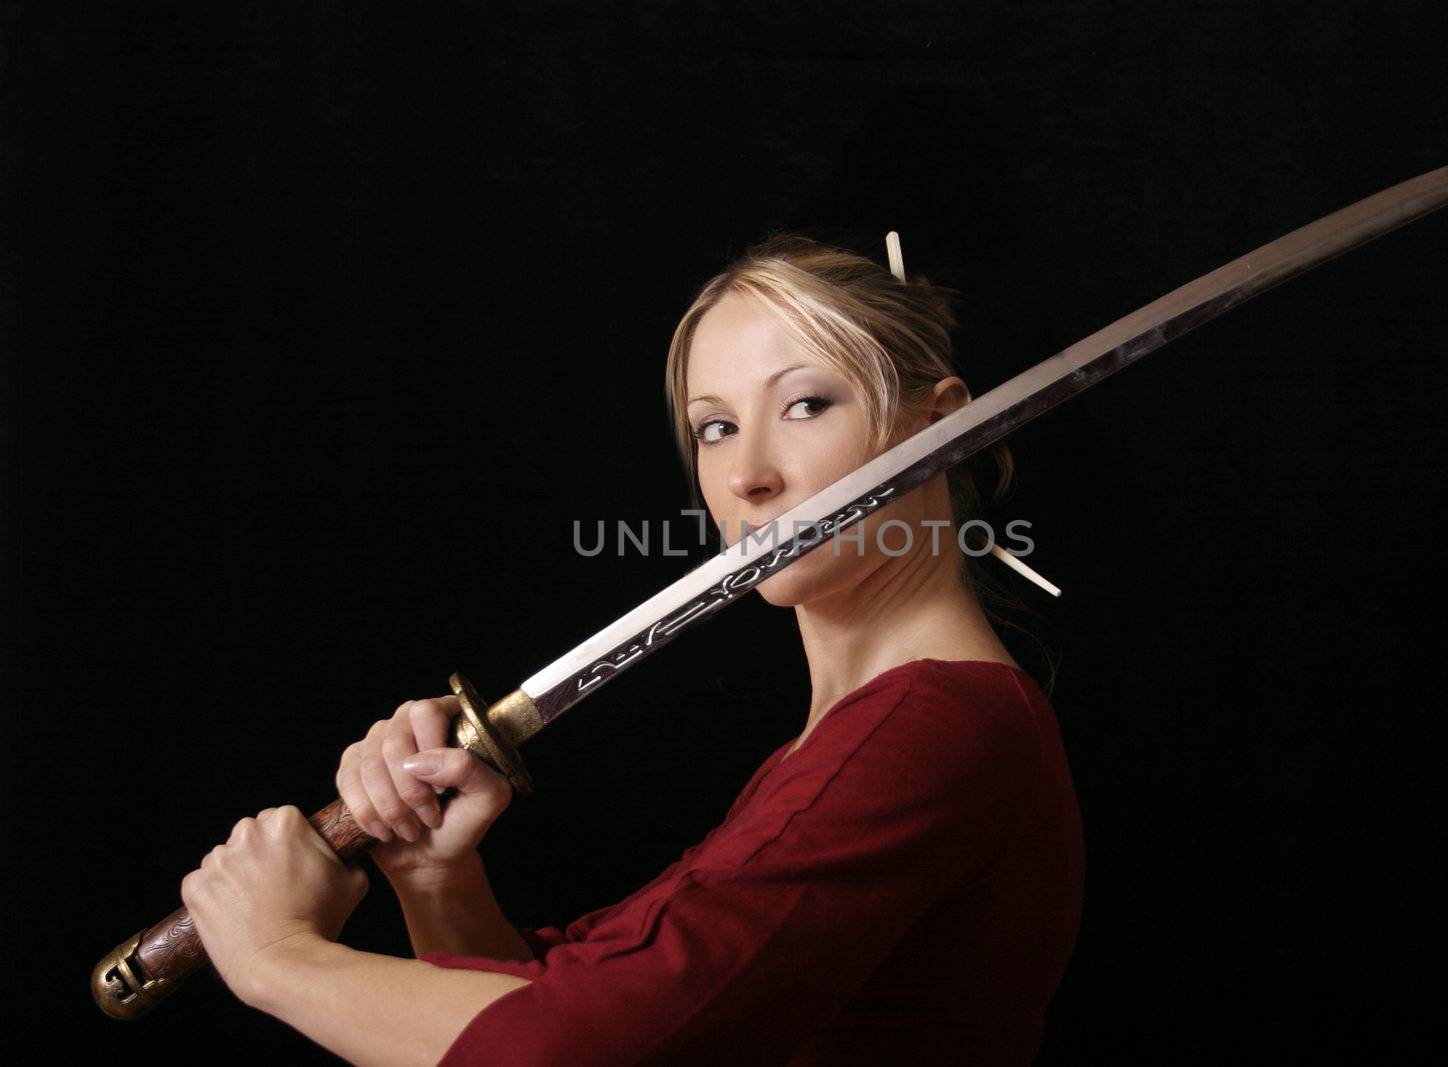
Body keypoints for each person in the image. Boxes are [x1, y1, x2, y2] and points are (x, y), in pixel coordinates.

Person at [180, 233, 1086, 1065]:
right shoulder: (845, 742)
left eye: (806, 403)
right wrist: (433, 873)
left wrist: (275, 958)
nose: (746, 475)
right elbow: (596, 1006)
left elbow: (578, 1050)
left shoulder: (936, 726)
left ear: (940, 426)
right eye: (715, 427)